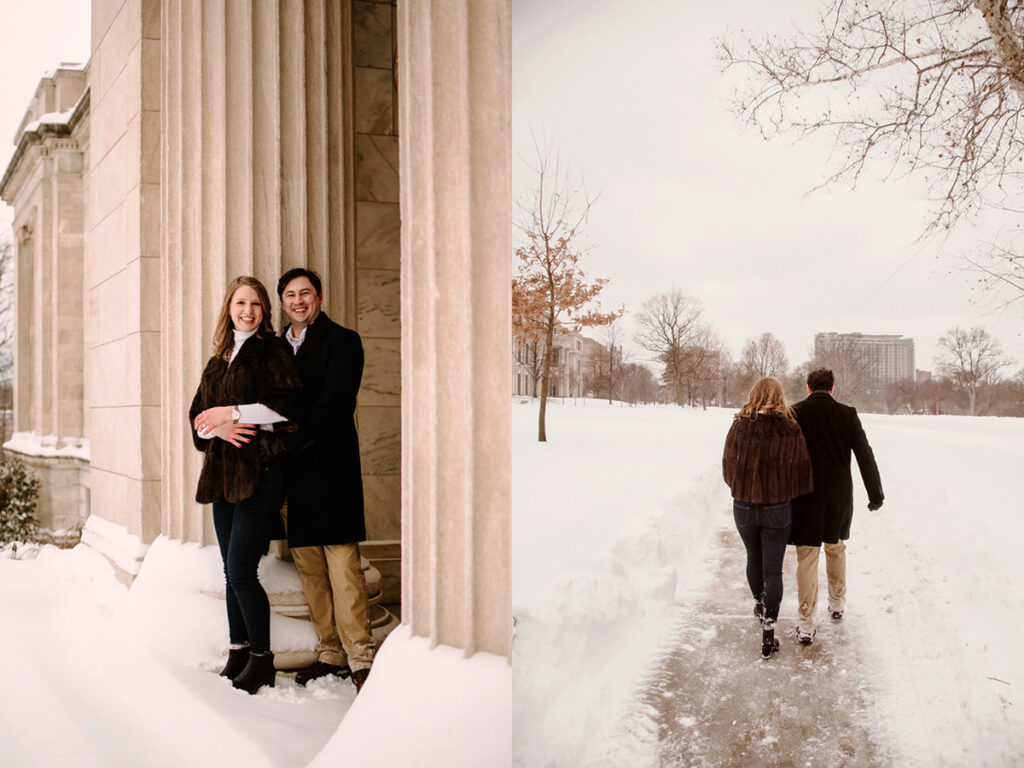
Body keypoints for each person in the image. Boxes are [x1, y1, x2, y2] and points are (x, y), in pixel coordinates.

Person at [190, 276, 302, 694]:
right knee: (229, 569)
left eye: (255, 304)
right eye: (240, 303)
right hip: (223, 476)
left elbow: (285, 408)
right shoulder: (218, 359)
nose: (248, 311)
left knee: (241, 569)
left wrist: (230, 413)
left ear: (264, 311)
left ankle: (262, 660)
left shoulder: (271, 350)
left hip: (261, 474)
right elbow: (197, 418)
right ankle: (239, 651)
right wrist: (215, 430)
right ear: (229, 308)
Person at [276, 268, 375, 693]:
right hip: (292, 473)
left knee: (343, 565)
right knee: (309, 567)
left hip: (331, 468)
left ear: (319, 297)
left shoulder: (343, 341)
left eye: (306, 293)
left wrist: (288, 431)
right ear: (282, 302)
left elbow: (335, 402)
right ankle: (330, 652)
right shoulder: (275, 348)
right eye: (290, 295)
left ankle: (361, 657)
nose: (298, 301)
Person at [791, 368, 884, 646]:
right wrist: (875, 494)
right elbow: (864, 454)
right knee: (835, 547)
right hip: (838, 496)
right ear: (832, 388)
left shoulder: (795, 413)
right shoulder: (847, 414)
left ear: (808, 387)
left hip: (805, 495)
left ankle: (806, 623)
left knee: (807, 556)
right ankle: (837, 603)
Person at [722, 378, 814, 658]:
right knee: (773, 570)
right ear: (780, 397)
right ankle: (768, 632)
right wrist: (785, 495)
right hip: (777, 507)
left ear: (754, 395)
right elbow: (802, 471)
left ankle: (760, 606)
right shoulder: (790, 428)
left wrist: (741, 490)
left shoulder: (739, 426)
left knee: (753, 558)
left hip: (745, 506)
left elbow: (727, 466)